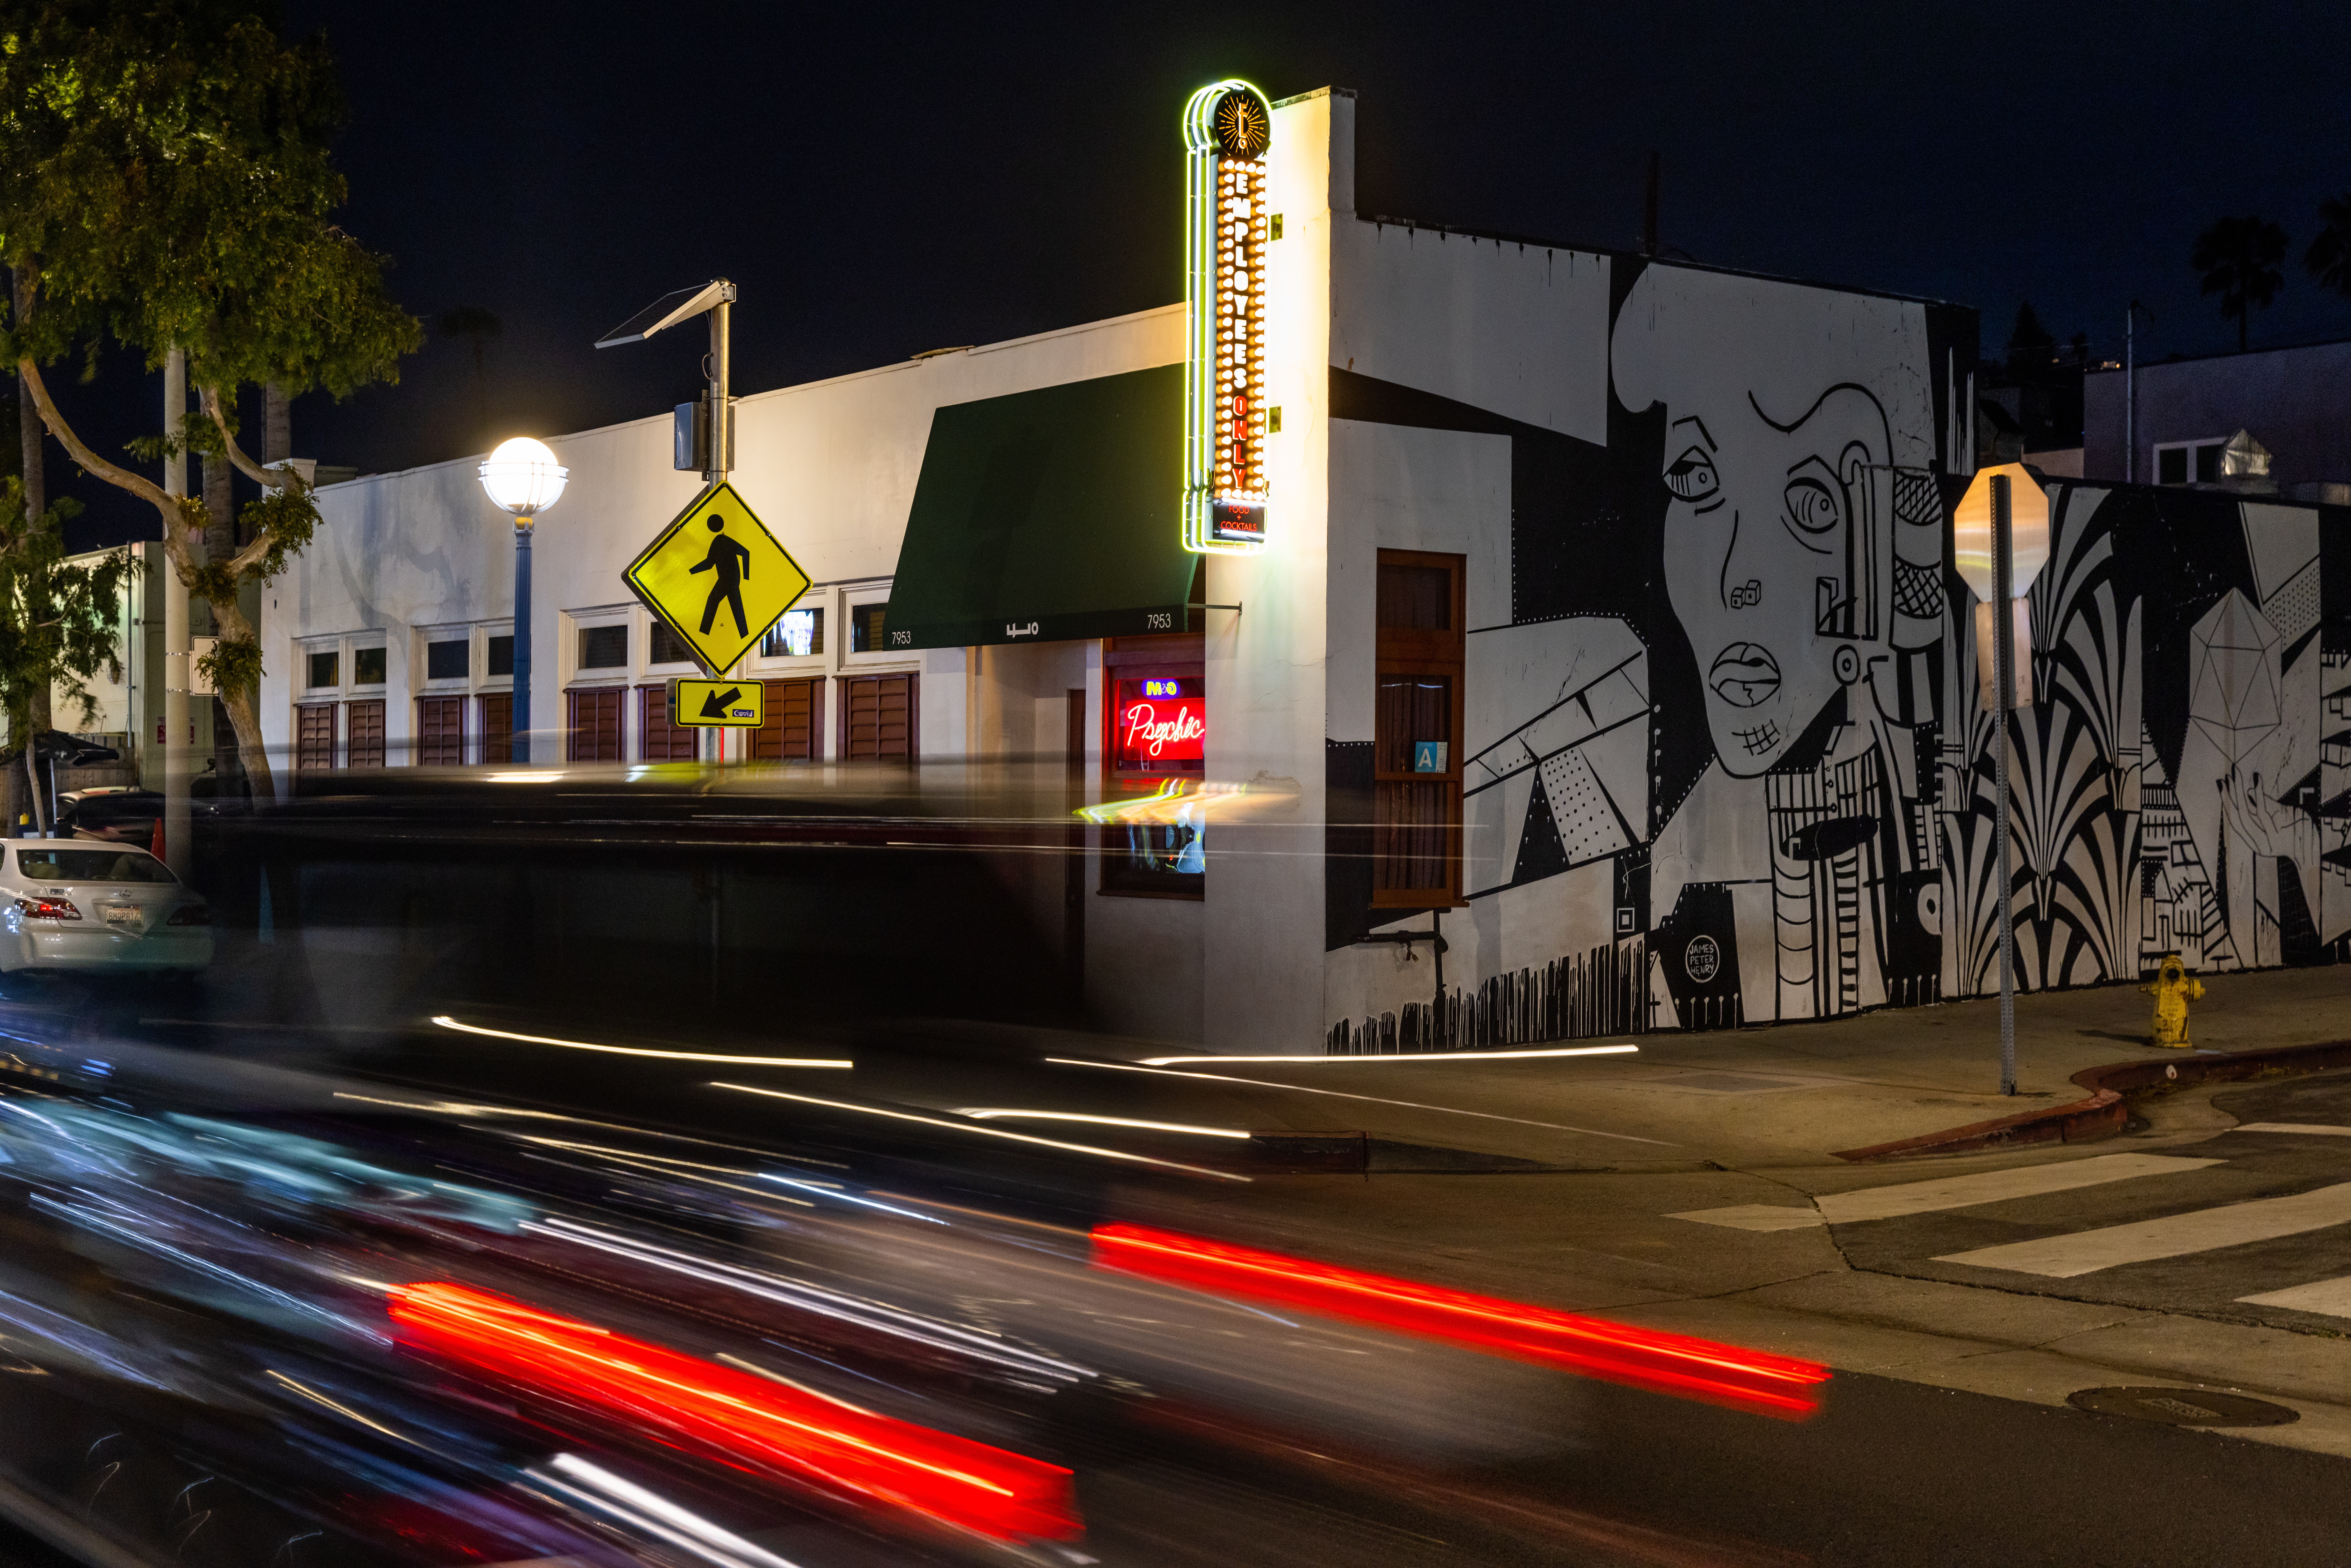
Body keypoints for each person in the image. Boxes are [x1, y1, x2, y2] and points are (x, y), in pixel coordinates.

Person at [1612, 266, 1946, 1021]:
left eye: (1809, 504)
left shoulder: (1953, 803)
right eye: (1696, 480)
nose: (1736, 580)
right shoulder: (1667, 877)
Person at [691, 515, 754, 638]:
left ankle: (704, 635)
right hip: (729, 579)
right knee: (732, 606)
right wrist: (691, 571)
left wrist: (747, 578)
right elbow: (710, 564)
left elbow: (746, 553)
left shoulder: (722, 540)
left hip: (730, 579)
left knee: (715, 601)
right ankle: (744, 635)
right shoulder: (718, 541)